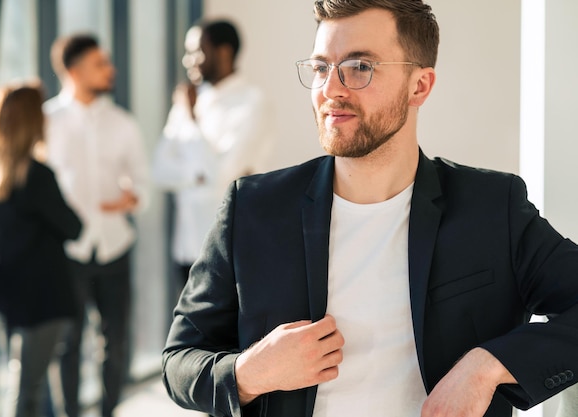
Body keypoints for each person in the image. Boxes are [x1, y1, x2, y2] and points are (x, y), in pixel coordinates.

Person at [161, 1, 578, 417]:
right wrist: (249, 372)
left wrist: (487, 366)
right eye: (322, 67)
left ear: (420, 86)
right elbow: (179, 361)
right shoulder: (252, 208)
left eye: (360, 66)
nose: (331, 89)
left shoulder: (491, 208)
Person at [44, 34, 149, 417]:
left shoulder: (123, 123)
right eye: (100, 64)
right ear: (73, 71)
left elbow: (142, 183)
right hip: (66, 252)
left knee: (115, 342)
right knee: (66, 343)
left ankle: (108, 412)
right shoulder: (46, 121)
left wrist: (131, 198)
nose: (111, 69)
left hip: (114, 246)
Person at [0, 82, 81, 417]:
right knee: (28, 390)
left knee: (21, 382)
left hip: (7, 296)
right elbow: (73, 228)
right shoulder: (36, 175)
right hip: (44, 299)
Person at [153, 19, 272, 287]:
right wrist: (198, 175)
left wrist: (193, 121)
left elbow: (222, 176)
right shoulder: (189, 101)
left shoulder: (252, 103)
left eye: (196, 50)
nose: (188, 60)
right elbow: (159, 170)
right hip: (186, 247)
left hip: (229, 249)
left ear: (223, 52)